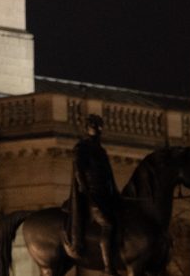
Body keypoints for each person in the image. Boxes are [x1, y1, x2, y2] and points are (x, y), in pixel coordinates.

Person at [64, 114, 122, 274]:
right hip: (92, 196)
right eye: (94, 126)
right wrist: (85, 192)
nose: (98, 129)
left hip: (105, 195)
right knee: (107, 224)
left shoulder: (100, 150)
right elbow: (79, 172)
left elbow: (108, 175)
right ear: (87, 128)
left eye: (99, 126)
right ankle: (109, 267)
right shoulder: (81, 148)